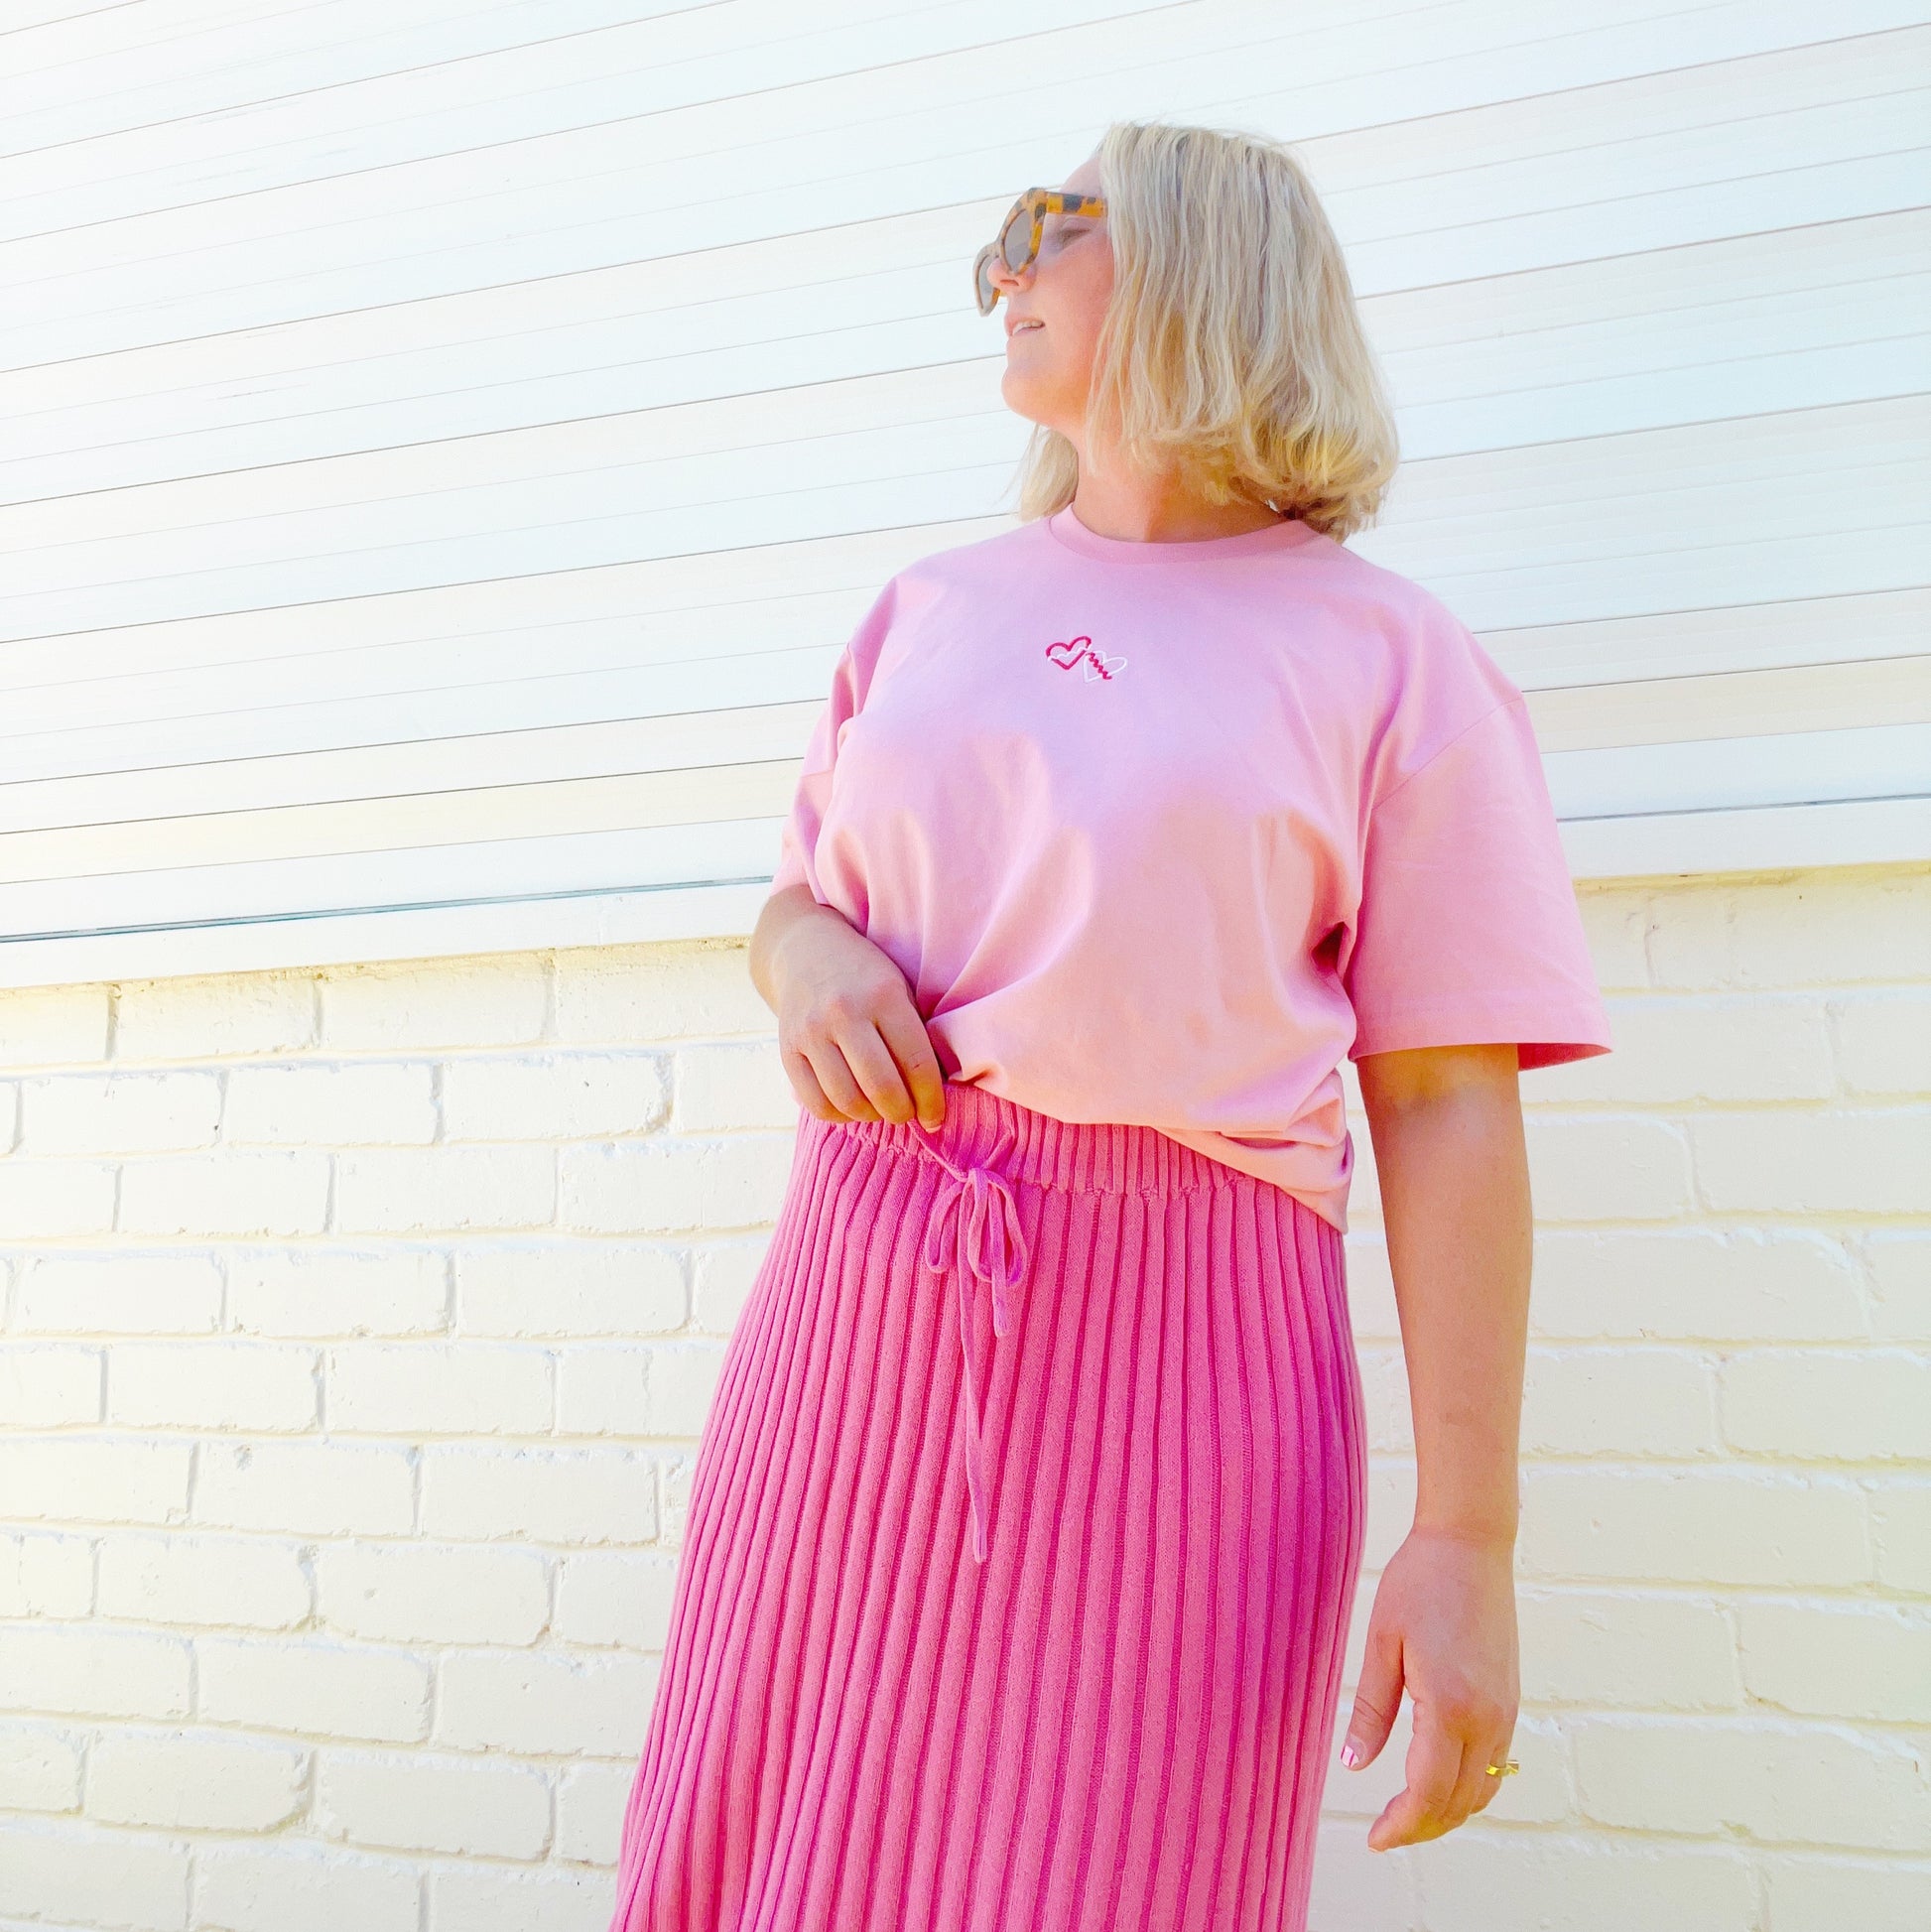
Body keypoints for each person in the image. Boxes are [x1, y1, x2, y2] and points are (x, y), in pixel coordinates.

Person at [608, 119, 1612, 1932]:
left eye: (1048, 224)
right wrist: (804, 959)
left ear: (1198, 261)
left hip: (1190, 1353)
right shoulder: (928, 609)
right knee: (765, 1851)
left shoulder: (1392, 661)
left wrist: (1468, 1536)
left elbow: (1448, 1104)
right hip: (854, 1311)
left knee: (1115, 1873)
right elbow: (799, 901)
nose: (1001, 270)